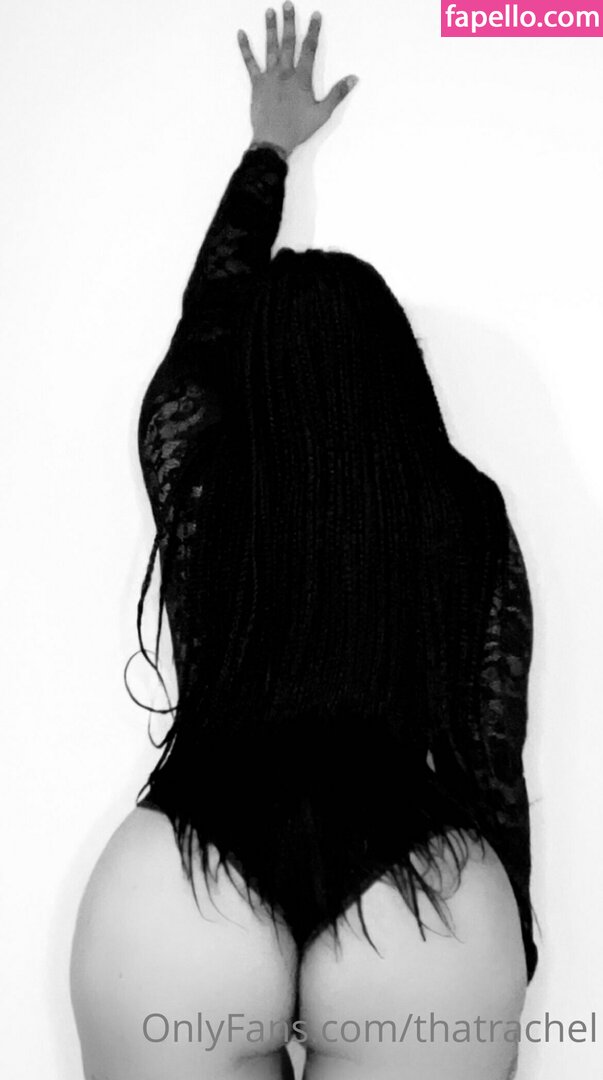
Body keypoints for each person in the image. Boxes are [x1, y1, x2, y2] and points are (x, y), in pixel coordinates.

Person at [70, 5, 538, 1079]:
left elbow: (208, 317)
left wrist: (266, 154)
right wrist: (505, 934)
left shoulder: (198, 469)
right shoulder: (466, 512)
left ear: (250, 380)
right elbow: (490, 756)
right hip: (418, 891)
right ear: (400, 379)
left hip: (188, 874)